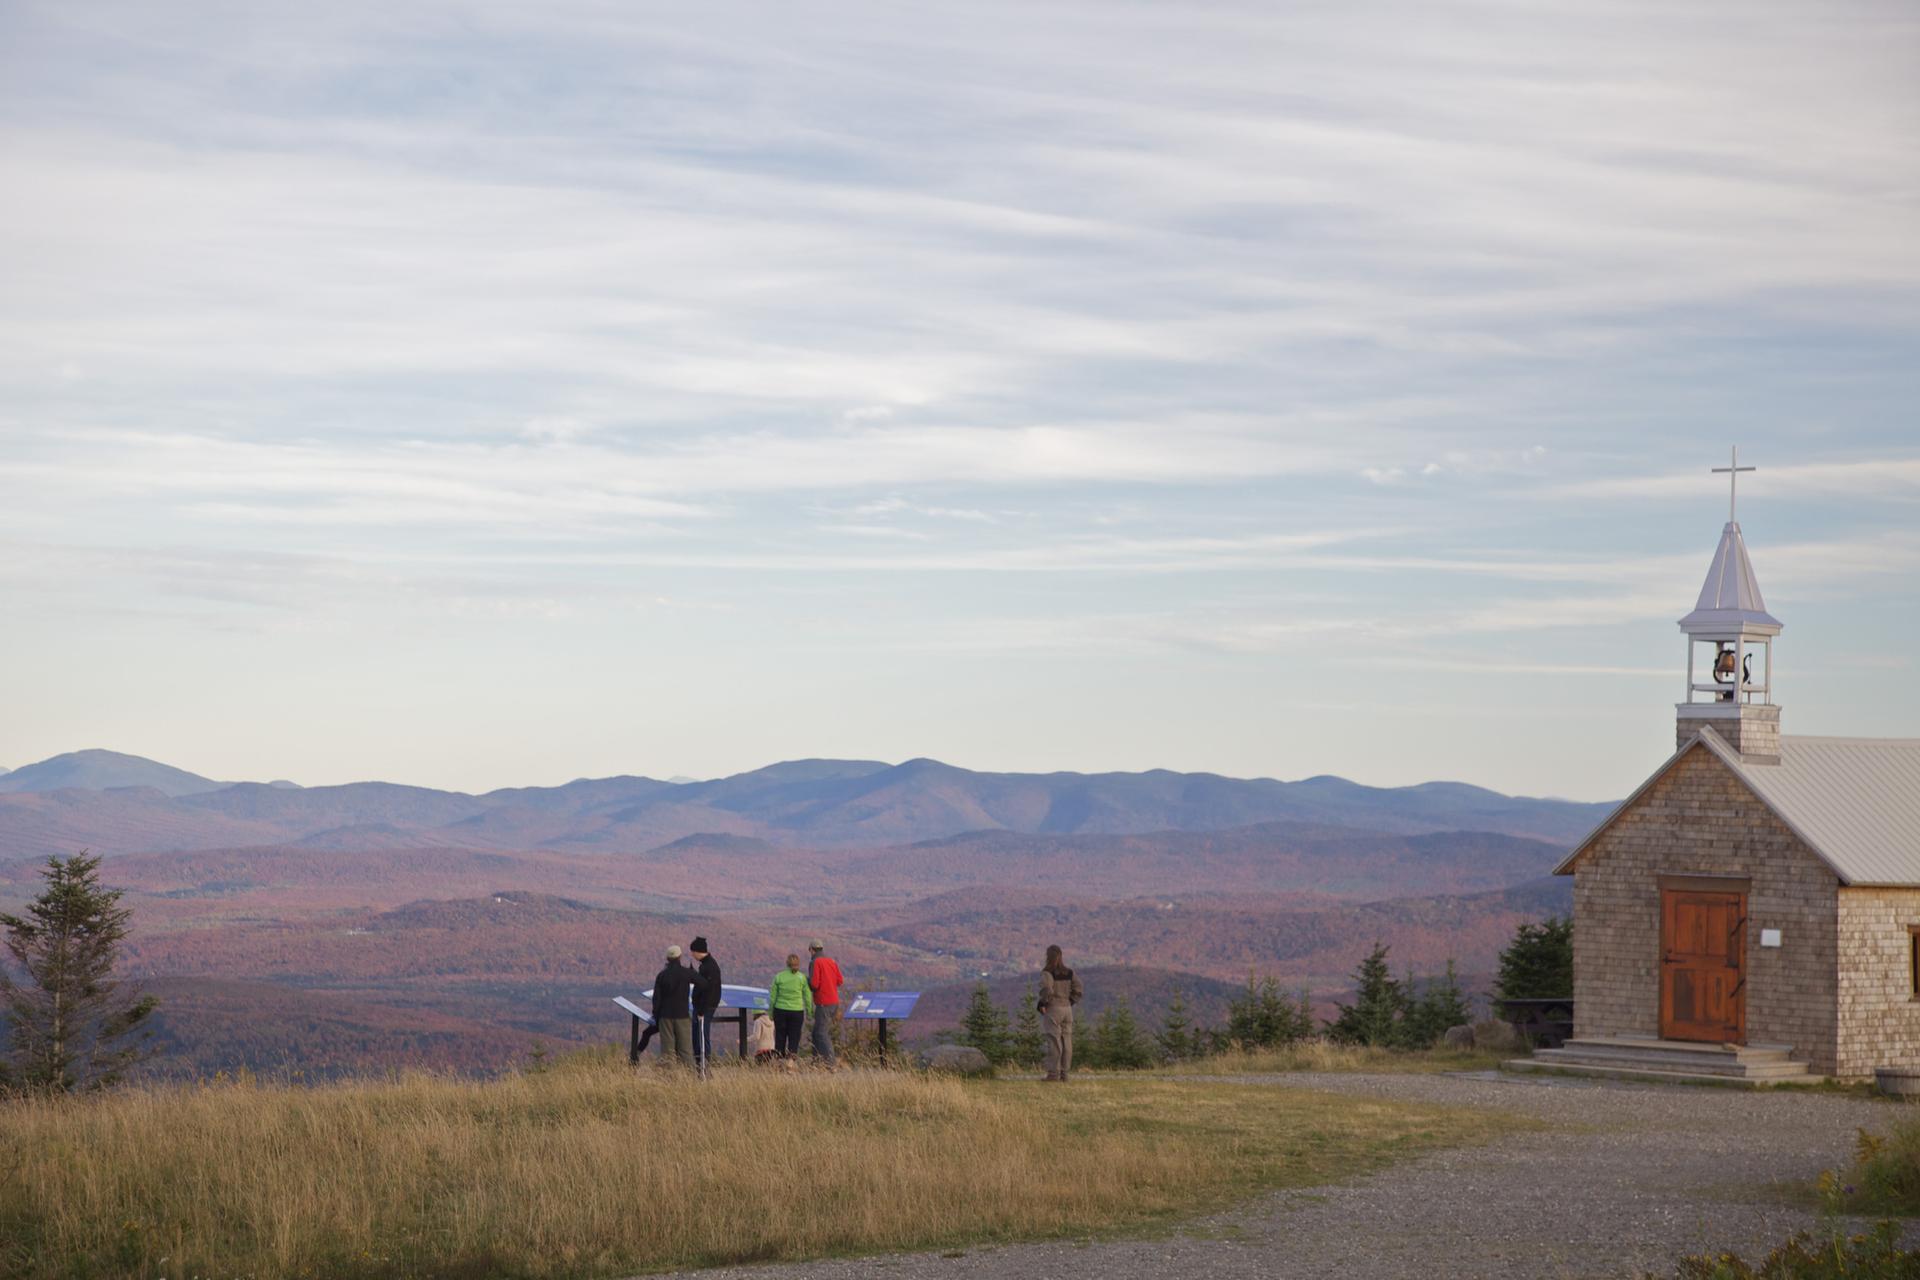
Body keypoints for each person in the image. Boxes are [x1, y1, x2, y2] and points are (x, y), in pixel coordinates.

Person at [1037, 944, 1083, 1082]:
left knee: (1054, 1041)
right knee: (1067, 1041)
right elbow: (1079, 988)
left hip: (1054, 1009)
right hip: (1067, 1009)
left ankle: (1053, 1074)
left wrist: (1043, 1004)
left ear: (1048, 956)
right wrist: (1070, 1001)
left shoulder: (1047, 972)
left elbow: (1047, 989)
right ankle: (1065, 1075)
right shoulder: (1069, 972)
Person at [651, 944, 699, 1068]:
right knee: (686, 1051)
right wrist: (693, 972)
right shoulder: (686, 973)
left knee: (667, 1052)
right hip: (682, 1015)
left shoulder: (662, 975)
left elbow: (656, 998)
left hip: (665, 1016)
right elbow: (702, 982)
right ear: (680, 957)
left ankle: (669, 1079)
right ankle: (690, 1078)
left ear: (667, 958)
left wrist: (656, 1015)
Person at [767, 952, 814, 1068]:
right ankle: (790, 1062)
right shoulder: (802, 978)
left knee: (780, 1036)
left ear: (787, 964)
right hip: (797, 1011)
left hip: (780, 1010)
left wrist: (771, 1012)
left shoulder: (779, 976)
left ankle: (778, 1061)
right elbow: (807, 996)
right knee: (794, 1036)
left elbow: (773, 997)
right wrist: (809, 1012)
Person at [806, 938, 845, 1068]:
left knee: (821, 1032)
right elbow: (840, 981)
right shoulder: (831, 961)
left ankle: (830, 1063)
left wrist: (806, 980)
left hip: (823, 1002)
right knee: (816, 1032)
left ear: (811, 950)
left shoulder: (815, 962)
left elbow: (814, 984)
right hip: (834, 1002)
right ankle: (816, 1062)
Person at [689, 936, 722, 1074]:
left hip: (704, 1008)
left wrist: (701, 1010)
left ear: (697, 951)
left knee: (701, 1037)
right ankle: (701, 1067)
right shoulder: (706, 965)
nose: (692, 955)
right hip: (704, 1007)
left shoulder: (709, 967)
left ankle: (703, 1068)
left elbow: (709, 990)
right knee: (698, 1037)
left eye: (692, 952)